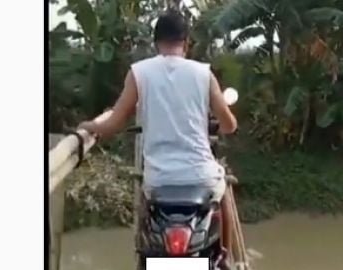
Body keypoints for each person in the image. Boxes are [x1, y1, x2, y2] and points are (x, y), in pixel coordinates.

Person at [77, 10, 238, 249]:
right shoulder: (204, 73)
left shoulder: (139, 72)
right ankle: (223, 259)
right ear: (186, 42)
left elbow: (112, 124)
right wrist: (224, 121)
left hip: (159, 181)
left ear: (156, 42)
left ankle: (145, 264)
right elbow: (229, 125)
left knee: (146, 206)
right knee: (222, 192)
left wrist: (86, 126)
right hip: (201, 177)